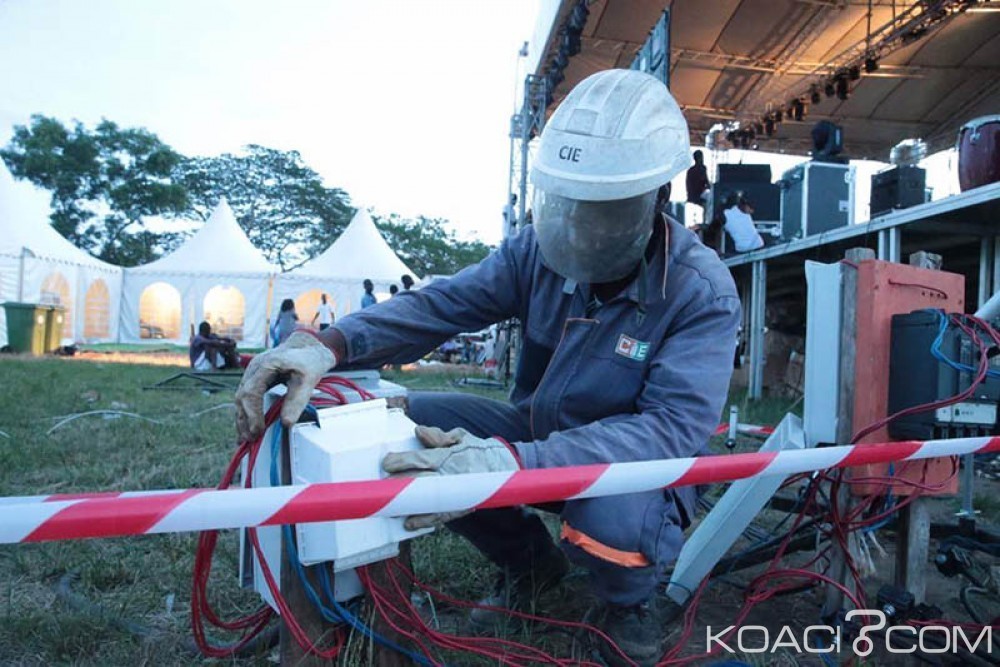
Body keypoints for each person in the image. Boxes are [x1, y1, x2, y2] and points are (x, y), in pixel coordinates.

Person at [235, 69, 738, 667]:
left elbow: (665, 433)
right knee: (411, 425)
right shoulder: (540, 251)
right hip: (541, 435)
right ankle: (531, 566)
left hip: (632, 470)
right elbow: (444, 303)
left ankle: (627, 604)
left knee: (611, 510)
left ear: (655, 198)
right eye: (569, 204)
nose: (579, 227)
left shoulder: (699, 291)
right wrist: (333, 344)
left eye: (600, 211)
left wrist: (510, 462)